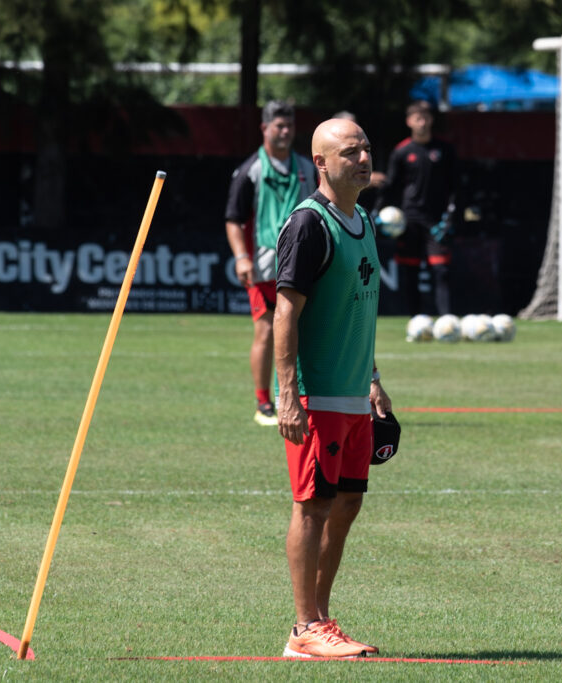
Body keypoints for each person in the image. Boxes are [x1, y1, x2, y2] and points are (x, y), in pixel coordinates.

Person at [273, 117, 391, 658]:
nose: (363, 158)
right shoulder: (308, 224)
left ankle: (321, 618)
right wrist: (288, 394)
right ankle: (303, 630)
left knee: (346, 504)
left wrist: (373, 379)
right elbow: (285, 316)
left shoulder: (363, 219)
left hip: (353, 396)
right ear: (321, 163)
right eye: (350, 152)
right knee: (312, 506)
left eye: (366, 148)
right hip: (316, 397)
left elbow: (358, 309)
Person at [225, 100, 317, 426]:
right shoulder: (251, 169)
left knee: (306, 329)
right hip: (265, 263)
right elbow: (234, 219)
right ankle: (263, 403)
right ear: (264, 129)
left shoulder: (307, 168)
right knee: (266, 330)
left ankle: (305, 396)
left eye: (289, 125)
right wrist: (241, 258)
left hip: (303, 261)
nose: (285, 131)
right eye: (279, 125)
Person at [375, 100, 457, 315]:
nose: (422, 123)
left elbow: (455, 185)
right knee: (410, 271)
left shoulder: (444, 150)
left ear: (431, 120)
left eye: (426, 118)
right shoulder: (401, 152)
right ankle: (416, 320)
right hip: (409, 220)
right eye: (417, 119)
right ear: (409, 122)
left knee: (441, 270)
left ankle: (446, 319)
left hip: (436, 220)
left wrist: (450, 216)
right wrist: (378, 211)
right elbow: (391, 186)